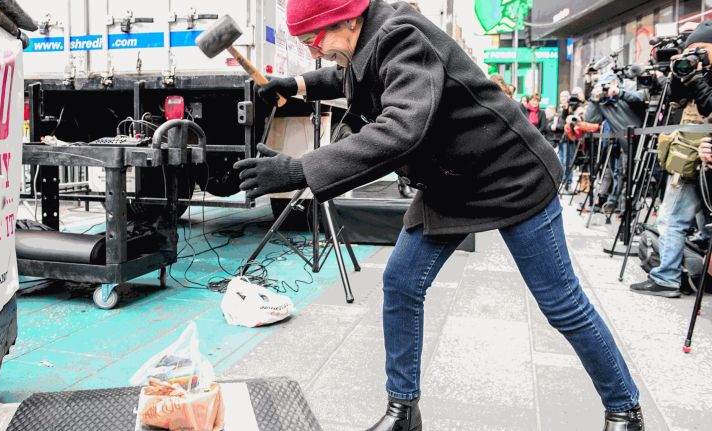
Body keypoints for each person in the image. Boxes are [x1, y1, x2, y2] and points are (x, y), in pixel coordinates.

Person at [234, 1, 643, 429]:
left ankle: (624, 410)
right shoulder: (367, 39)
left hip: (510, 175)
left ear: (348, 20)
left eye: (313, 41)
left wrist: (301, 168)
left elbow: (400, 128)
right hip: (453, 182)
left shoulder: (402, 36)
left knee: (561, 302)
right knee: (402, 284)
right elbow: (346, 76)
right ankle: (403, 413)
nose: (314, 52)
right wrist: (294, 83)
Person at [630, 21, 712, 298]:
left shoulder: (706, 77)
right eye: (691, 49)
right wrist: (682, 75)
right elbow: (675, 99)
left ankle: (666, 278)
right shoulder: (696, 72)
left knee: (672, 219)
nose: (694, 55)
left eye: (700, 49)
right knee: (697, 221)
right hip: (690, 156)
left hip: (698, 158)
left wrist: (699, 79)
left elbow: (708, 105)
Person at [585, 73, 646, 214]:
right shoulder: (602, 101)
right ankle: (626, 214)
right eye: (602, 87)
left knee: (641, 177)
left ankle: (630, 210)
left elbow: (641, 98)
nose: (605, 90)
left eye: (606, 86)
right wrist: (594, 100)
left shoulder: (629, 85)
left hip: (645, 141)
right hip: (626, 145)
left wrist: (620, 93)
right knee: (626, 177)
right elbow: (591, 119)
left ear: (614, 82)